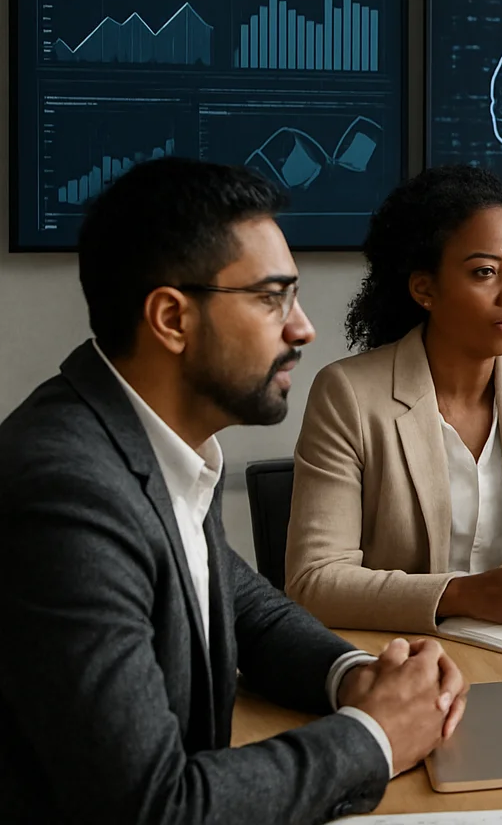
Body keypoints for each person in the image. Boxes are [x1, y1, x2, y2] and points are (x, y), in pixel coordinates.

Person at [0, 159, 468, 823]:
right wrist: (376, 735)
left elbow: (245, 605)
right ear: (171, 318)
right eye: (271, 297)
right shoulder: (68, 494)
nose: (303, 328)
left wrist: (355, 676)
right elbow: (156, 807)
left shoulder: (148, 440)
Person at [286, 165, 502, 634]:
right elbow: (315, 580)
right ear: (424, 288)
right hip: (407, 659)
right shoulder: (347, 395)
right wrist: (466, 594)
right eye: (485, 272)